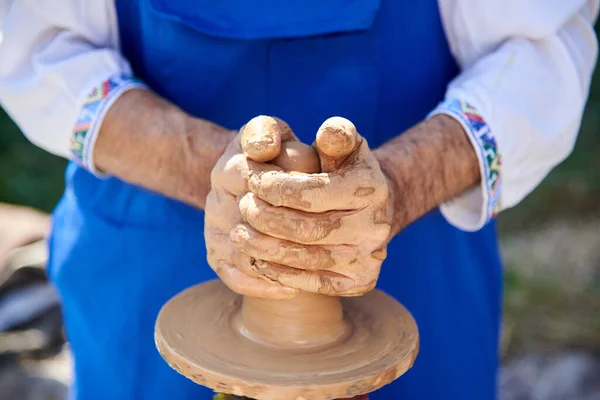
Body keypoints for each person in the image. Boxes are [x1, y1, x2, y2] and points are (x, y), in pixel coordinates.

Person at [0, 1, 597, 399]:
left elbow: (540, 49)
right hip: (151, 243)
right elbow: (33, 42)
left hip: (411, 250)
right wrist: (210, 170)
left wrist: (399, 183)